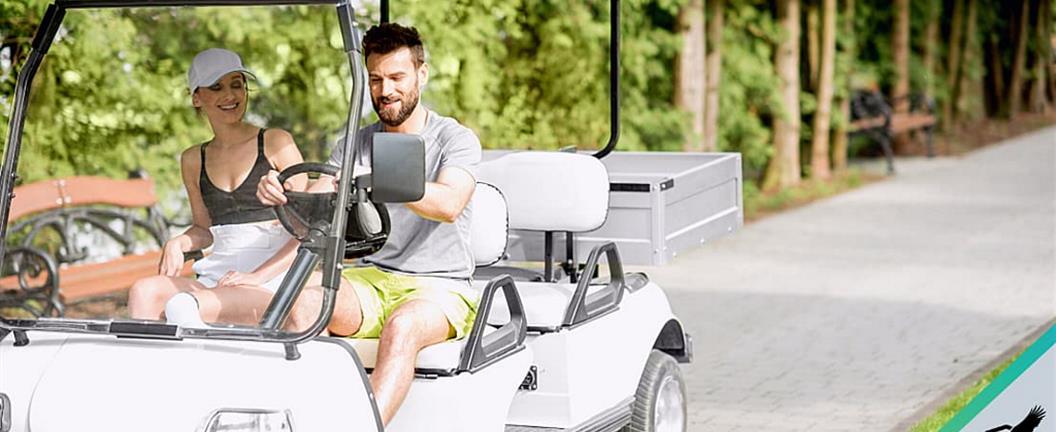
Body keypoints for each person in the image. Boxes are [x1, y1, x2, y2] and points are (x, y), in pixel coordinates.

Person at [255, 23, 481, 425]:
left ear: (421, 75)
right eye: (375, 79)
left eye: (397, 77)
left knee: (403, 324)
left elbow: (449, 203)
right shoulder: (353, 144)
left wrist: (381, 182)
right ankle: (317, 421)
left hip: (440, 285)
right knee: (303, 302)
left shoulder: (453, 138)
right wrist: (281, 194)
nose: (385, 90)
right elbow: (318, 209)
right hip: (373, 281)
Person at [127, 48, 308, 328]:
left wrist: (257, 276)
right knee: (144, 292)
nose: (230, 95)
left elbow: (310, 228)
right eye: (216, 87)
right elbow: (204, 229)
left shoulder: (275, 142)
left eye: (237, 85)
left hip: (271, 280)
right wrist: (178, 243)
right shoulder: (192, 159)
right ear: (197, 97)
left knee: (183, 306)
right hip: (220, 277)